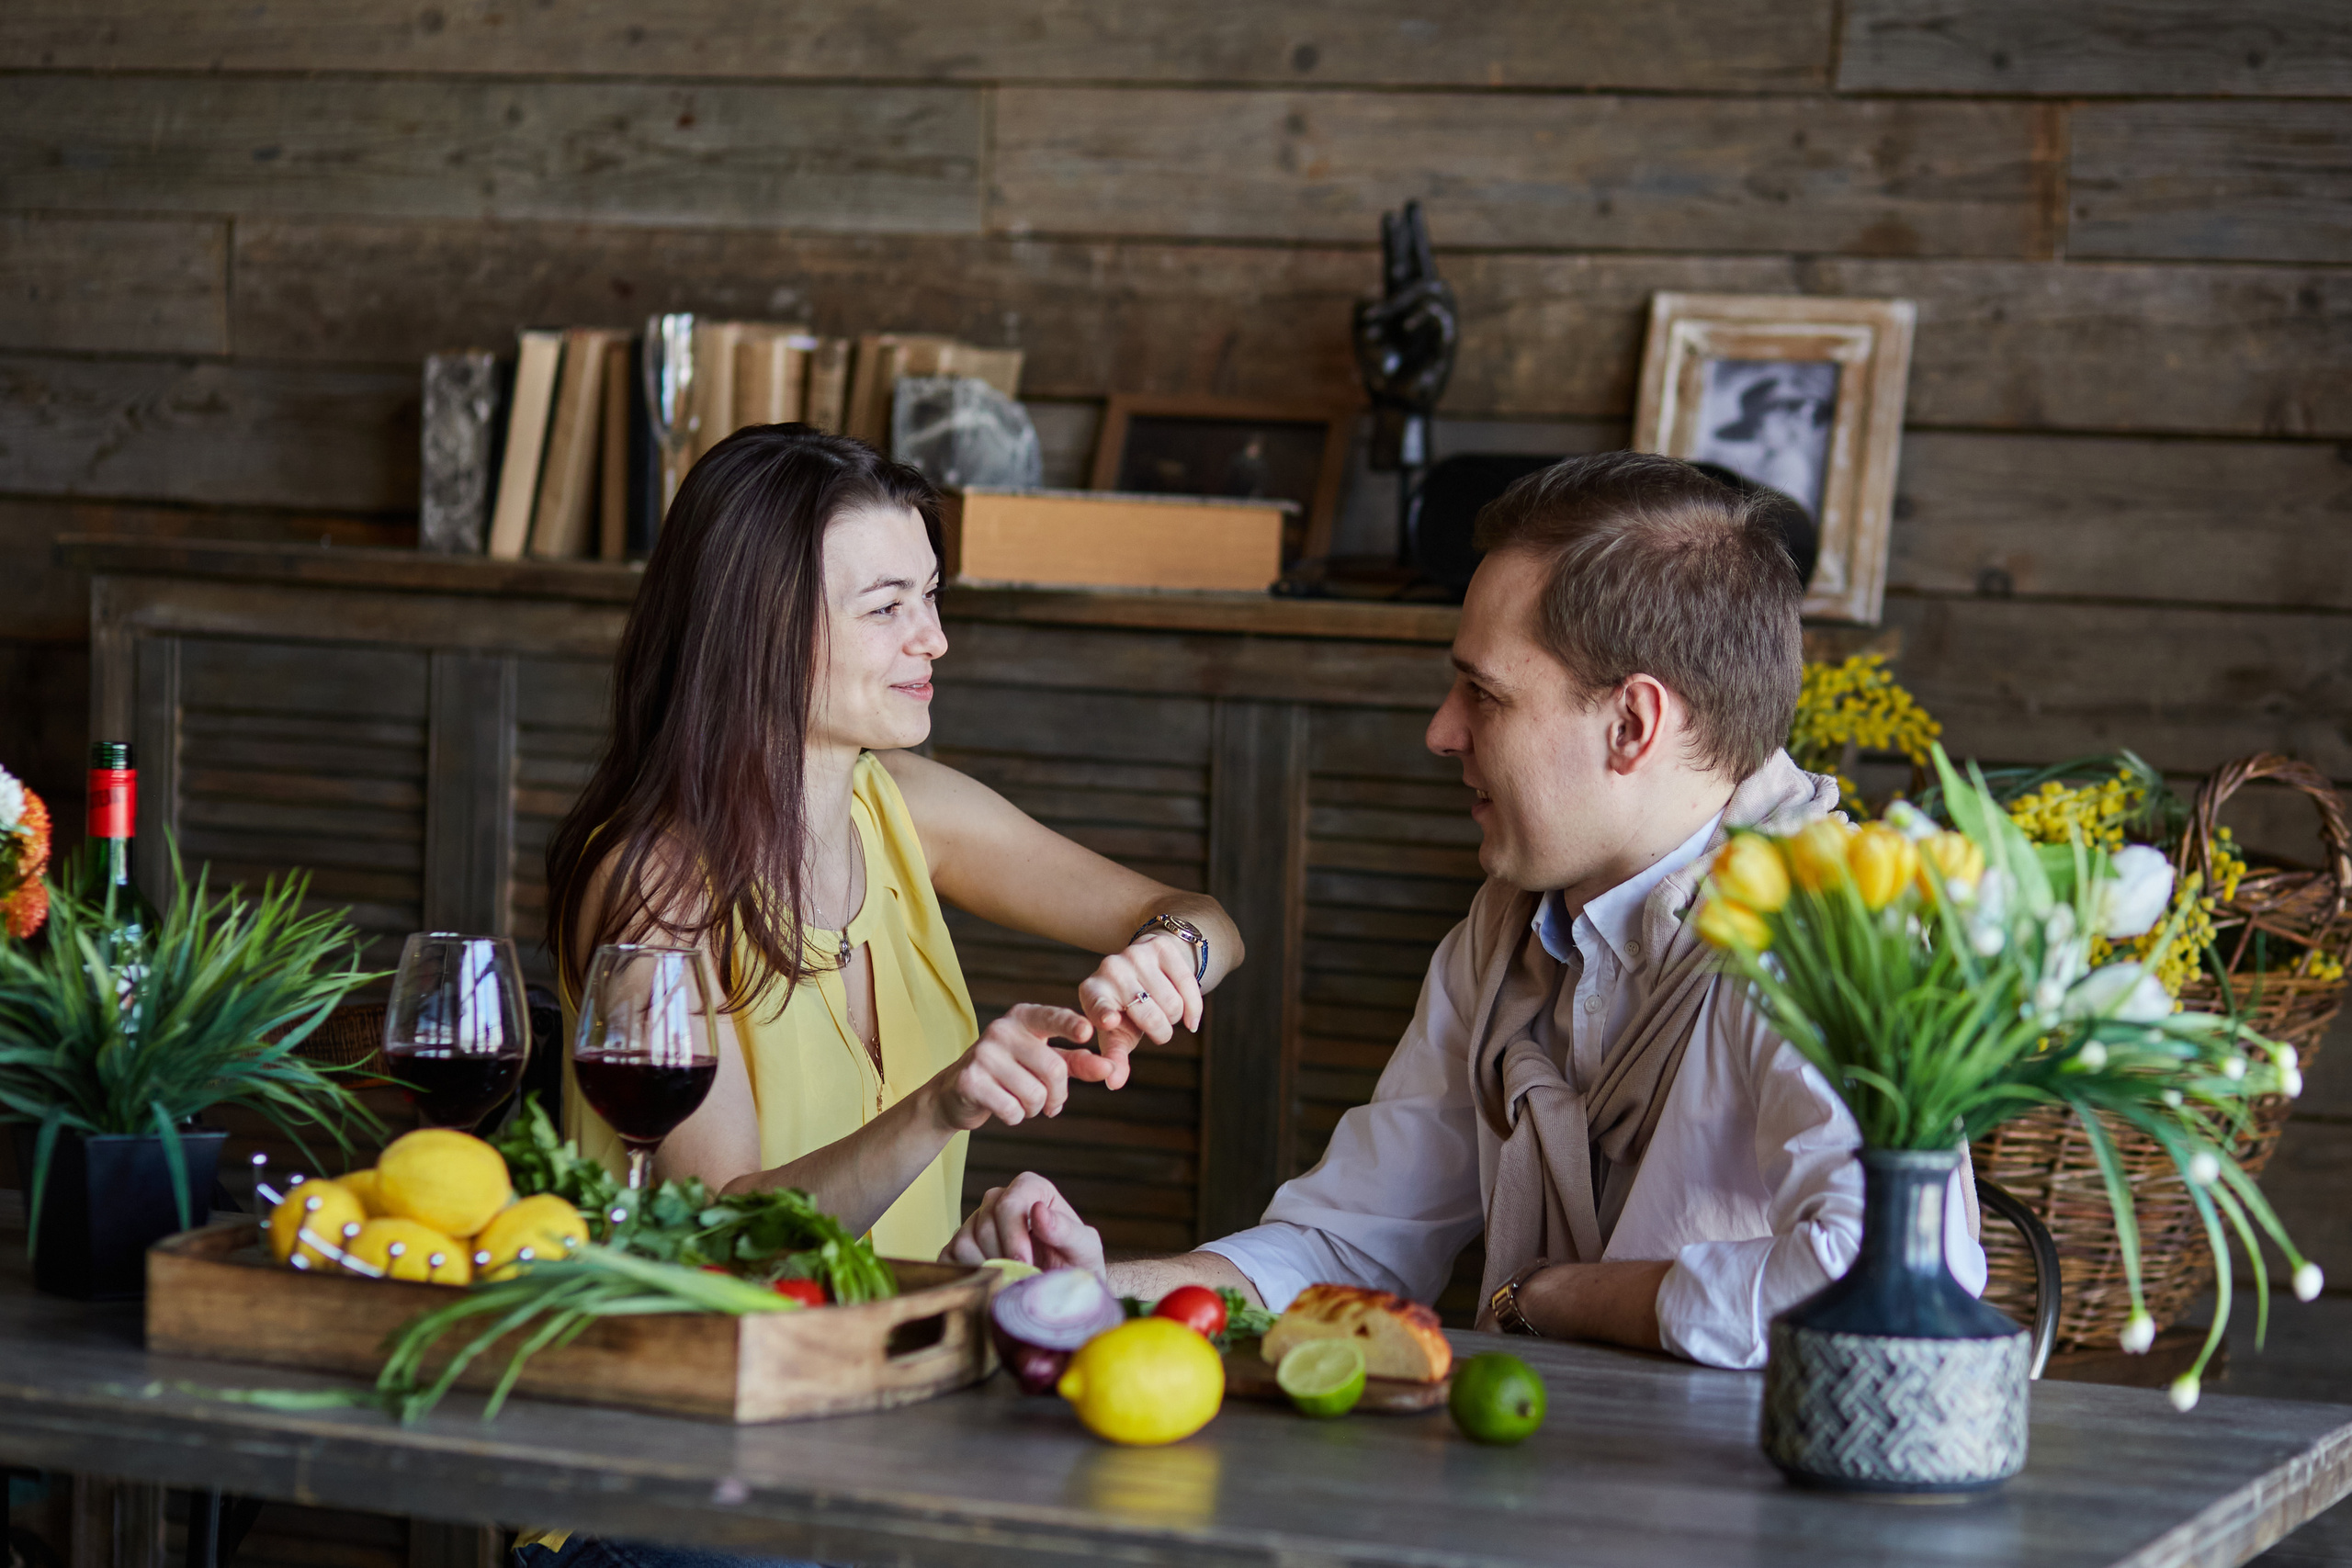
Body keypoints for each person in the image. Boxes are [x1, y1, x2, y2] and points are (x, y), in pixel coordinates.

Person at [944, 451, 1985, 1371]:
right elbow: (1351, 1242)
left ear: (1631, 722)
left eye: (1483, 695)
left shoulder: (1838, 933)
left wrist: (1555, 1298)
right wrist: (1100, 1293)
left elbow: (1896, 1287)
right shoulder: (1499, 936)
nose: (1442, 733)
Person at [545, 424, 1242, 1258]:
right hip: (709, 1375)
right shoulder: (654, 884)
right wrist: (941, 1104)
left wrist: (1171, 956)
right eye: (886, 607)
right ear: (756, 629)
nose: (934, 639)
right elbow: (726, 1235)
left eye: (931, 595)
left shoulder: (904, 807)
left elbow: (1208, 919)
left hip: (898, 1358)